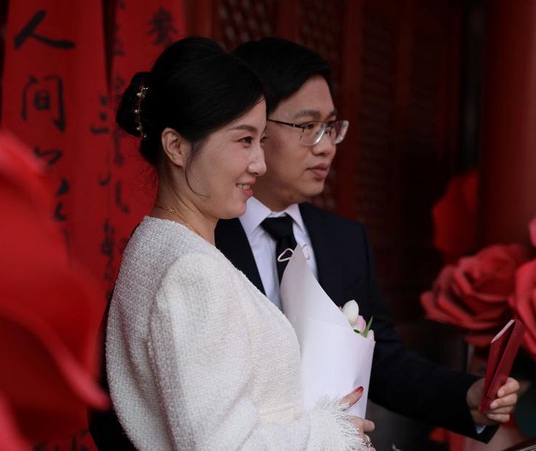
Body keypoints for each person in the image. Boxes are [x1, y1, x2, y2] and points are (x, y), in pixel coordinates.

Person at [215, 37, 519, 444]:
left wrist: (466, 395)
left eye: (330, 127)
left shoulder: (343, 239)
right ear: (251, 126)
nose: (326, 148)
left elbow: (384, 360)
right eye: (307, 127)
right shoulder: (207, 236)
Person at [104, 36, 375, 450]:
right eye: (244, 140)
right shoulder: (191, 272)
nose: (259, 164)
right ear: (176, 146)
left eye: (262, 140)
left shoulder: (158, 246)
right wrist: (329, 432)